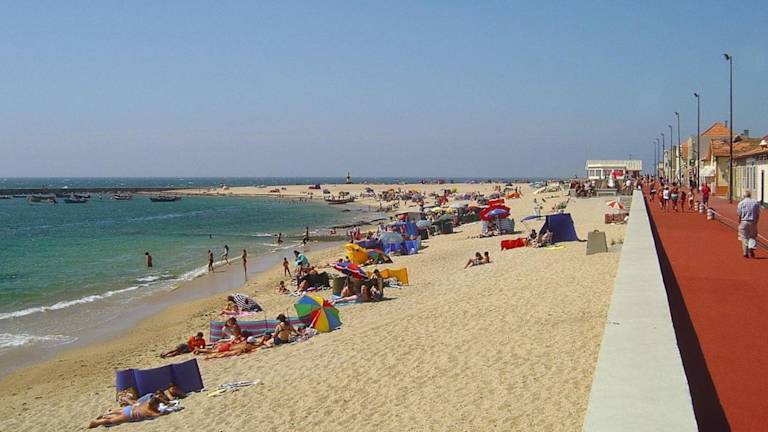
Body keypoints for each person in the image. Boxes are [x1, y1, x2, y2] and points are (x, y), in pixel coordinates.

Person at [88, 395, 165, 428]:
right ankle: (95, 422)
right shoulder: (149, 412)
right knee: (110, 421)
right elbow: (159, 414)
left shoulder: (146, 403)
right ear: (154, 405)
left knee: (115, 415)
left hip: (129, 409)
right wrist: (162, 412)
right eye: (158, 405)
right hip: (129, 415)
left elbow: (154, 398)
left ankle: (106, 415)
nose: (158, 406)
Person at [737, 190, 761, 258]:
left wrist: (739, 222)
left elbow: (739, 214)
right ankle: (751, 246)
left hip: (744, 221)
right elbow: (758, 213)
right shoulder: (755, 202)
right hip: (753, 221)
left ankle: (745, 252)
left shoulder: (741, 203)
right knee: (752, 236)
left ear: (744, 196)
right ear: (750, 195)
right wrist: (756, 221)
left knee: (744, 237)